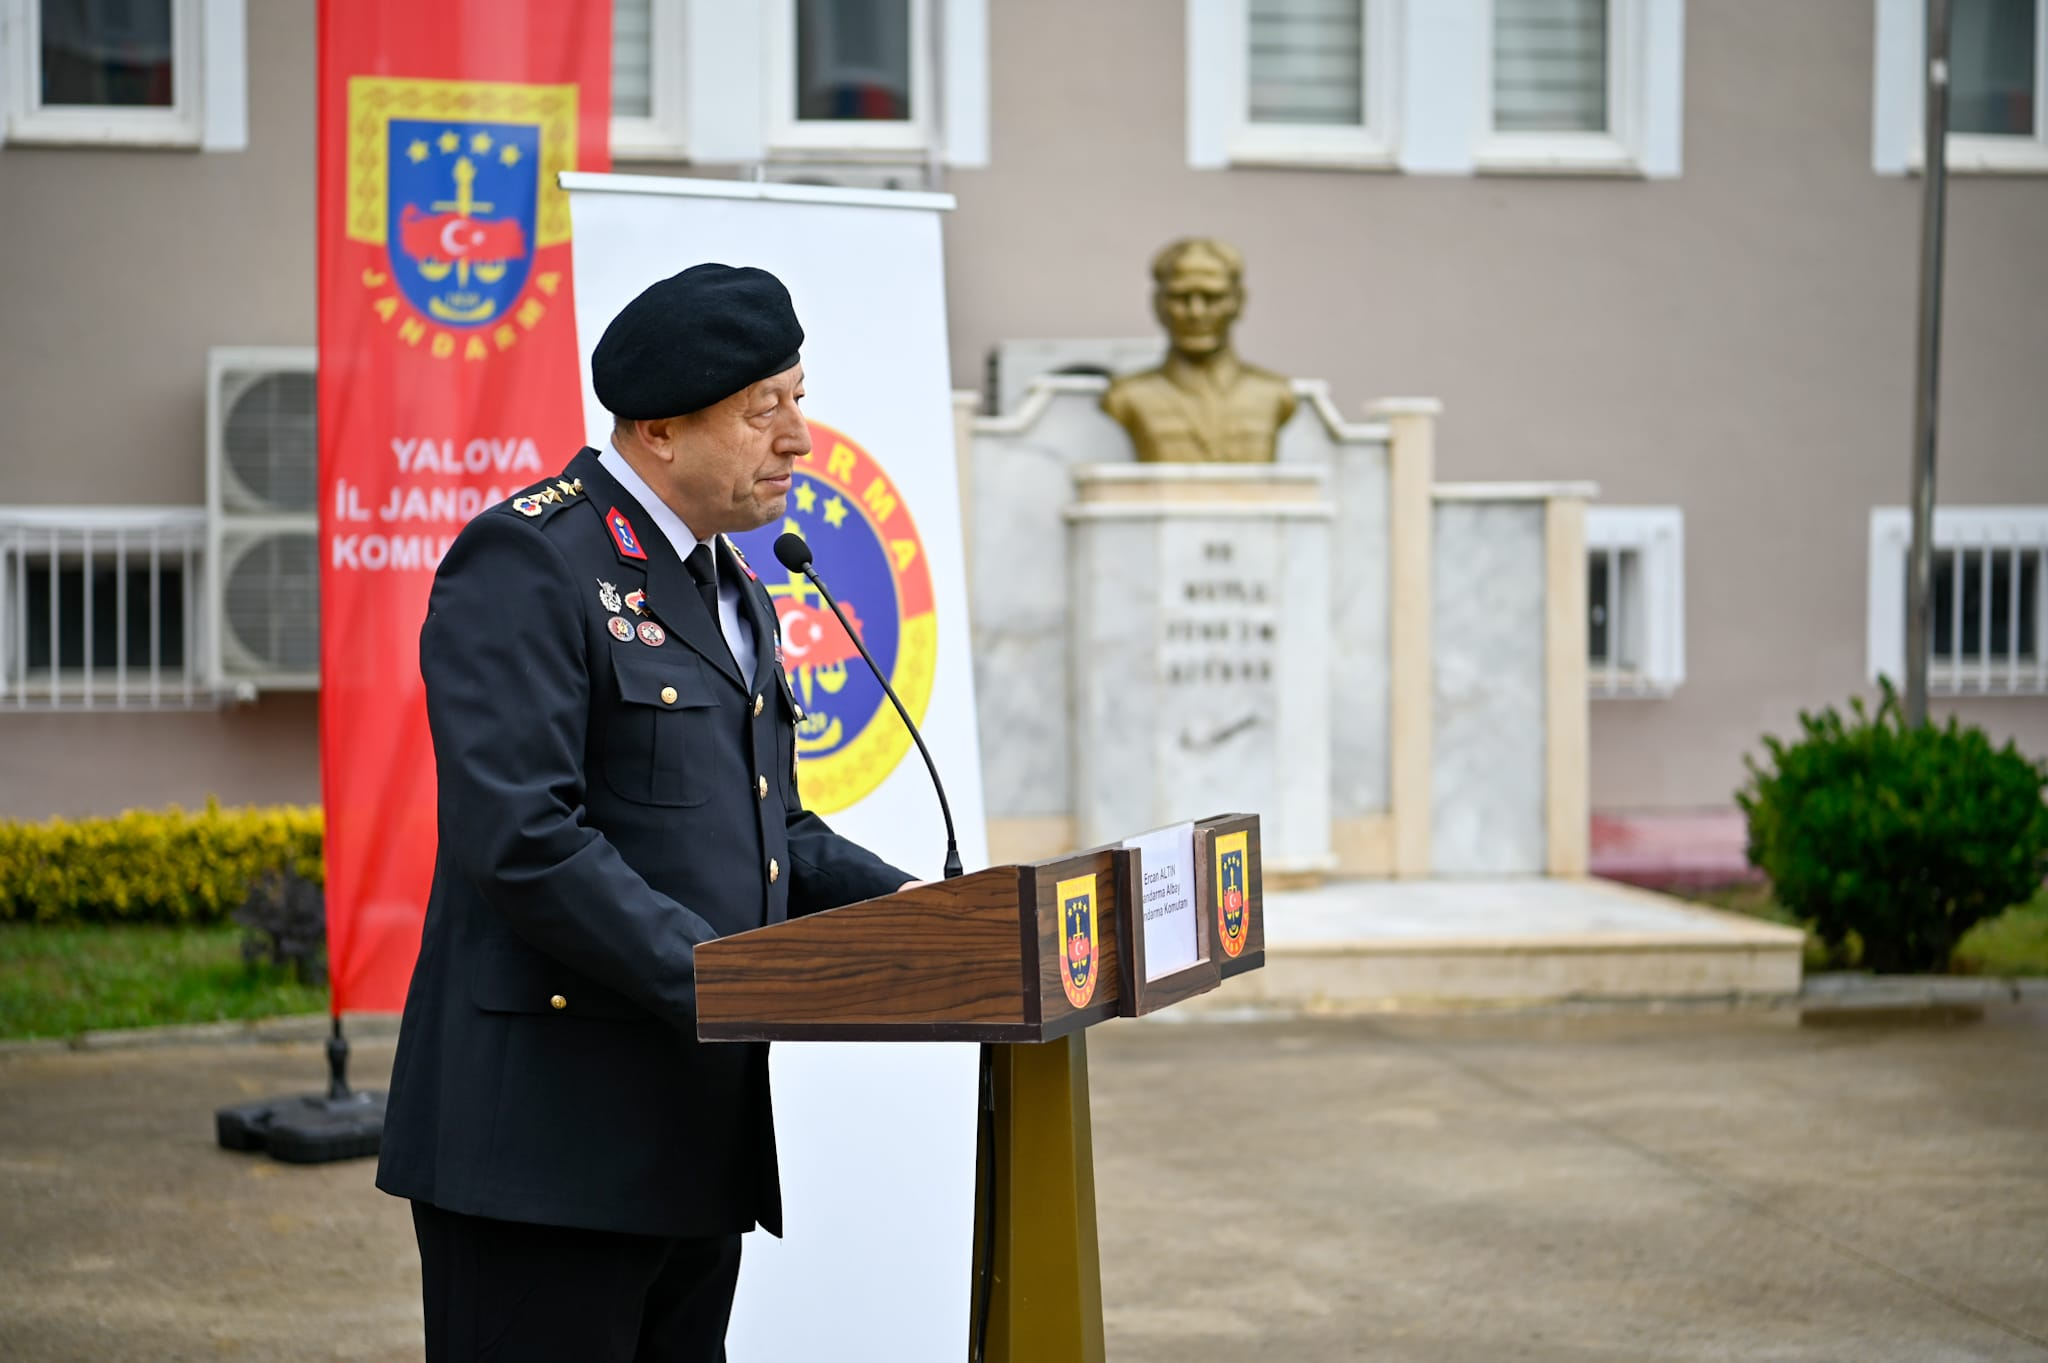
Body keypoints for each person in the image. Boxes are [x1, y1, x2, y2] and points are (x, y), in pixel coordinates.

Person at [375, 263, 917, 1362]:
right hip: (545, 1148)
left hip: (691, 1133)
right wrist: (720, 979)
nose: (798, 439)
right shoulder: (531, 559)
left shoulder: (736, 584)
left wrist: (934, 917)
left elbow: (776, 829)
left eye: (798, 400)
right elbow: (523, 838)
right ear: (660, 429)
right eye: (762, 409)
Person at [1100, 237, 1298, 463]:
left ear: (1238, 301)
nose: (1196, 312)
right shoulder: (1126, 396)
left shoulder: (1274, 394)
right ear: (1158, 305)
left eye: (1212, 297)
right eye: (1180, 297)